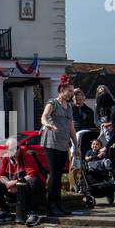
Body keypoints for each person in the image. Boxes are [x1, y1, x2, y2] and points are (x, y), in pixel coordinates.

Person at [39, 77, 75, 218]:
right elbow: (44, 116)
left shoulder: (69, 106)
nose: (71, 93)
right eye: (69, 91)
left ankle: (58, 203)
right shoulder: (52, 103)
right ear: (61, 90)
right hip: (51, 142)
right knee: (54, 174)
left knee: (60, 175)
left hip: (63, 143)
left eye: (72, 91)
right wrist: (46, 124)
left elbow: (71, 126)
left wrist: (76, 144)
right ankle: (51, 205)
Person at [0, 135, 43, 227]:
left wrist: (15, 185)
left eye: (17, 148)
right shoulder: (6, 157)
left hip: (26, 190)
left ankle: (33, 212)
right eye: (12, 150)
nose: (15, 151)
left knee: (34, 181)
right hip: (12, 189)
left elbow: (31, 174)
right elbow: (0, 175)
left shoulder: (26, 155)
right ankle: (5, 211)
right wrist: (7, 183)